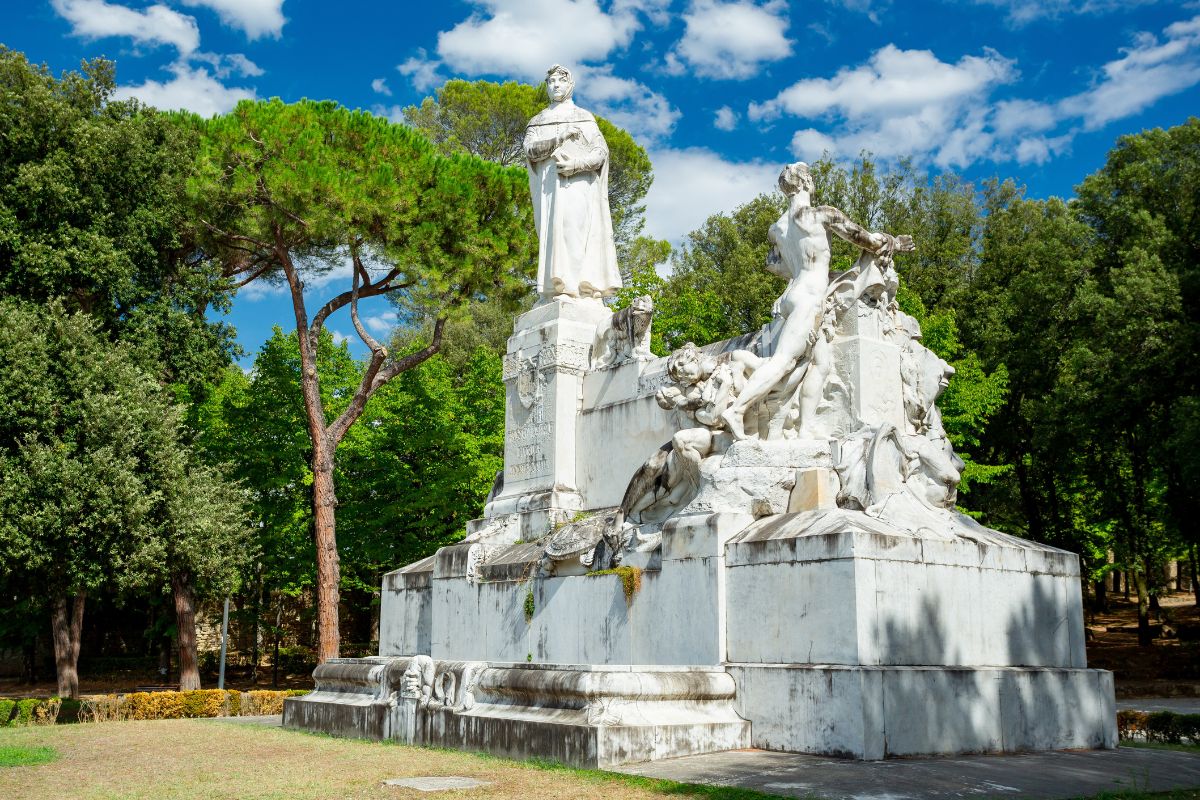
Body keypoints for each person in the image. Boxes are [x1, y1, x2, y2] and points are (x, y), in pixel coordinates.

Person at [720, 162, 914, 440]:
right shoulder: (822, 215)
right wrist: (893, 242)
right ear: (806, 183)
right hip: (809, 298)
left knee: (820, 364)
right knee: (783, 362)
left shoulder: (776, 229)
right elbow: (867, 241)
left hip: (794, 295)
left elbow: (776, 266)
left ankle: (806, 427)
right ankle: (737, 409)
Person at [523, 65, 622, 301]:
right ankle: (554, 289)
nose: (556, 85)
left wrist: (576, 165)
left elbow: (600, 153)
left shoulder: (584, 117)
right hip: (548, 189)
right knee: (552, 235)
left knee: (574, 231)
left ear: (571, 85)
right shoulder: (537, 121)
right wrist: (560, 137)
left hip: (578, 185)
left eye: (561, 81)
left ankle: (577, 289)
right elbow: (529, 150)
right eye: (551, 81)